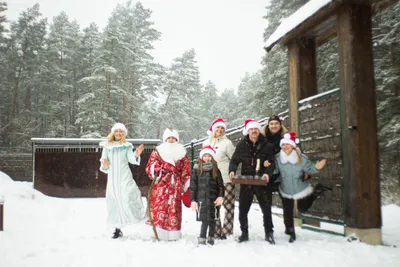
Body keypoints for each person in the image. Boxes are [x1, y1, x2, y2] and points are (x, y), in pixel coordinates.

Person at [275, 132, 331, 243]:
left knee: (302, 208)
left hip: (300, 187)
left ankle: (316, 191)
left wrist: (317, 167)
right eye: (283, 145)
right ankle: (290, 231)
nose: (285, 147)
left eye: (288, 144)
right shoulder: (277, 158)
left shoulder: (302, 158)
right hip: (285, 188)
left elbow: (310, 169)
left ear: (293, 145)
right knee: (288, 210)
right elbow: (274, 171)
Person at [228, 119, 276, 244]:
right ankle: (244, 233)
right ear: (248, 131)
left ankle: (269, 233)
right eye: (251, 129)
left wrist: (267, 173)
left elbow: (272, 163)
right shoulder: (241, 145)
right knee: (243, 209)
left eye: (256, 129)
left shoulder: (267, 145)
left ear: (259, 130)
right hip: (246, 181)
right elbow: (234, 160)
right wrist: (232, 171)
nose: (254, 131)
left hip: (262, 182)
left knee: (266, 209)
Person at [99, 123, 146, 239]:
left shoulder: (126, 146)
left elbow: (131, 159)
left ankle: (138, 216)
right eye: (116, 131)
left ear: (123, 133)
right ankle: (117, 228)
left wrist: (136, 154)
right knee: (114, 200)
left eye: (121, 131)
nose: (118, 133)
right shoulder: (107, 146)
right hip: (113, 177)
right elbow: (104, 162)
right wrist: (105, 164)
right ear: (113, 133)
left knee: (127, 195)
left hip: (124, 175)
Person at [145, 128, 191, 241]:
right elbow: (150, 165)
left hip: (175, 185)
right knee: (159, 207)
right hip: (161, 184)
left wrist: (187, 186)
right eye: (169, 138)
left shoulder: (182, 154)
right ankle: (158, 231)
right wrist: (157, 169)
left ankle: (173, 233)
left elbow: (185, 171)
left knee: (174, 207)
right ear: (165, 139)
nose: (171, 140)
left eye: (173, 138)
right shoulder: (158, 151)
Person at [202, 118, 235, 239]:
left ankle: (227, 231)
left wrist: (232, 171)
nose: (220, 130)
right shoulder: (206, 143)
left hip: (226, 179)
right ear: (213, 129)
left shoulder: (227, 143)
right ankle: (215, 231)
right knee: (214, 206)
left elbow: (234, 159)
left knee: (228, 206)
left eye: (222, 128)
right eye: (218, 128)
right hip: (211, 180)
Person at [190, 145, 224, 245]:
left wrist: (220, 196)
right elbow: (193, 186)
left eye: (209, 156)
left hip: (214, 200)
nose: (207, 158)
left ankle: (211, 237)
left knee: (213, 219)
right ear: (201, 157)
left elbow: (220, 185)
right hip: (202, 199)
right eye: (205, 156)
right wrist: (193, 200)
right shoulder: (197, 170)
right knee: (204, 220)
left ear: (212, 157)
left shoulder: (216, 170)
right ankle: (202, 237)